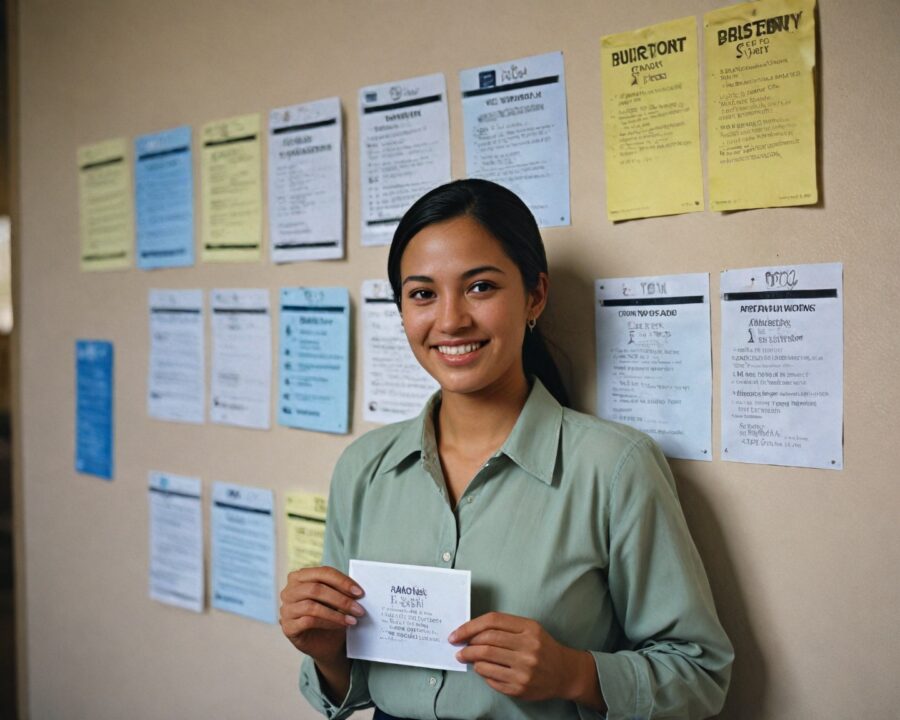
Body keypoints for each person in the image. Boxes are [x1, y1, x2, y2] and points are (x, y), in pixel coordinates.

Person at [279, 179, 733, 719]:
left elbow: (701, 674)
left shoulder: (614, 468)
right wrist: (327, 652)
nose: (450, 321)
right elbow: (355, 680)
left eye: (480, 287)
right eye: (423, 293)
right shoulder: (364, 467)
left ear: (535, 296)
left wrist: (573, 673)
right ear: (401, 310)